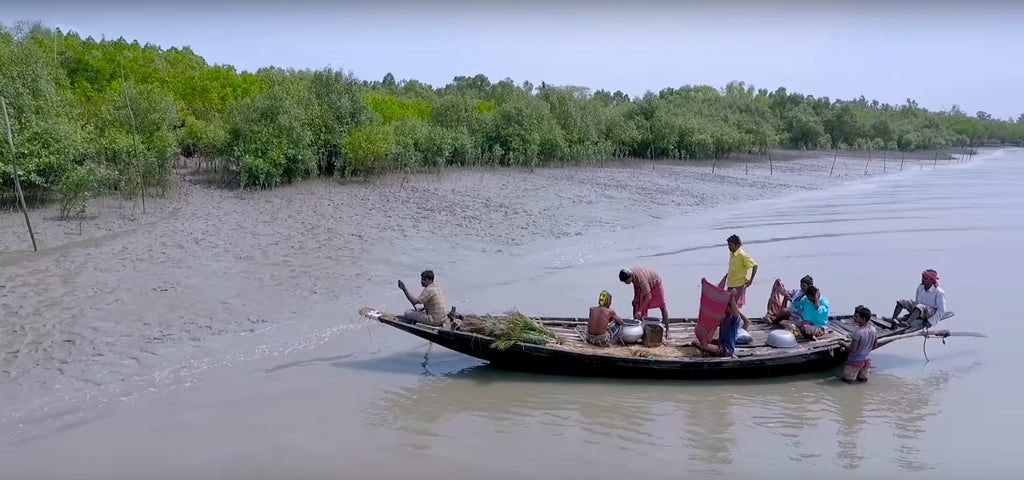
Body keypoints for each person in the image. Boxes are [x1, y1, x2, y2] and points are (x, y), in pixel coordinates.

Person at [619, 266, 670, 338]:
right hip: (645, 285)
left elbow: (648, 297)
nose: (626, 283)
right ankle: (639, 328)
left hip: (655, 283)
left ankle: (668, 330)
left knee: (662, 306)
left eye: (627, 281)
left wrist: (639, 310)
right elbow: (636, 285)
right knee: (636, 303)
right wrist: (635, 298)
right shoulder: (632, 275)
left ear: (630, 276)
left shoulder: (641, 279)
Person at [838, 305, 878, 383]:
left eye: (856, 316)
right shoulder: (873, 330)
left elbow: (852, 349)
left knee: (847, 382)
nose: (854, 317)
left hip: (855, 361)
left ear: (863, 319)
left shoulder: (858, 332)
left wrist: (842, 343)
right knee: (863, 380)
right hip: (867, 360)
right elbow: (875, 345)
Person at [720, 234, 758, 310]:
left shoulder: (742, 255)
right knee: (728, 306)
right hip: (731, 284)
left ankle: (744, 321)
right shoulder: (732, 254)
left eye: (730, 245)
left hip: (738, 285)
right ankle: (736, 320)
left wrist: (750, 281)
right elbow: (734, 268)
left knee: (732, 306)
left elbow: (755, 266)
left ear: (737, 245)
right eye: (728, 245)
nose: (729, 247)